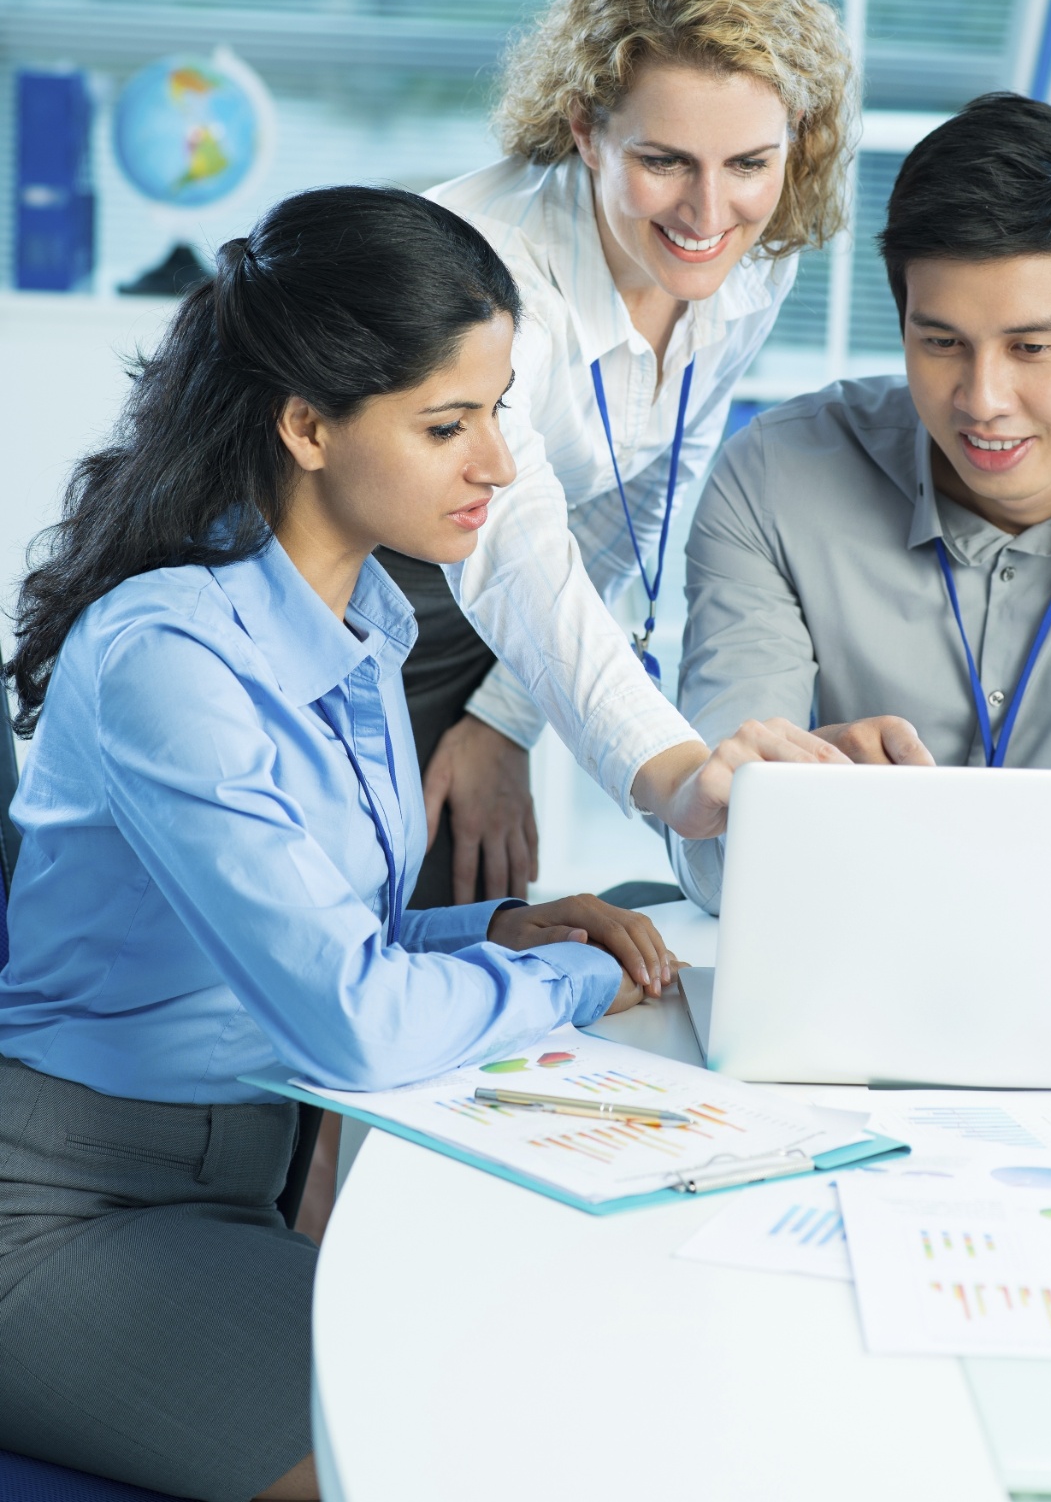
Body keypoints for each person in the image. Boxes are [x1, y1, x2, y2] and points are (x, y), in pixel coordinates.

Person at [0, 189, 839, 1502]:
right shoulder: (167, 659)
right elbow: (352, 1022)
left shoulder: (368, 625)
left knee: (588, 1375)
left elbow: (348, 935)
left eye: (498, 413)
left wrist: (502, 927)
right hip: (61, 1218)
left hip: (230, 1191)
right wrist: (579, 978)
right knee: (465, 1447)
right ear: (306, 426)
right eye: (448, 426)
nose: (498, 466)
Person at [668, 92, 1051, 938]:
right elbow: (708, 857)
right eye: (940, 342)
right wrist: (777, 801)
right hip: (852, 969)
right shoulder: (774, 479)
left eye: (1030, 348)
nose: (981, 401)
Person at [379, 0, 856, 906]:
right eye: (665, 161)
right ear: (587, 129)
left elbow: (639, 490)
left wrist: (505, 718)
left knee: (466, 918)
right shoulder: (495, 275)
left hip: (502, 612)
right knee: (363, 938)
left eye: (749, 165)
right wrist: (675, 775)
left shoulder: (753, 258)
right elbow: (514, 541)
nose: (708, 213)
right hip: (359, 589)